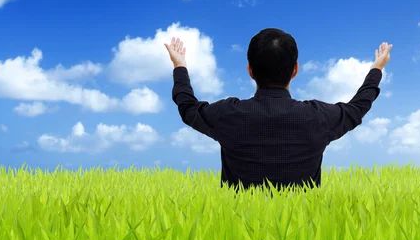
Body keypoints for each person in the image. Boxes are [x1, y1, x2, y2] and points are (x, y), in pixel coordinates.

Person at [165, 28, 392, 192]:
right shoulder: (318, 117)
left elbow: (188, 108)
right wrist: (376, 69)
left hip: (236, 239)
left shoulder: (228, 114)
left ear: (250, 70)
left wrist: (180, 66)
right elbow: (357, 108)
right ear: (295, 70)